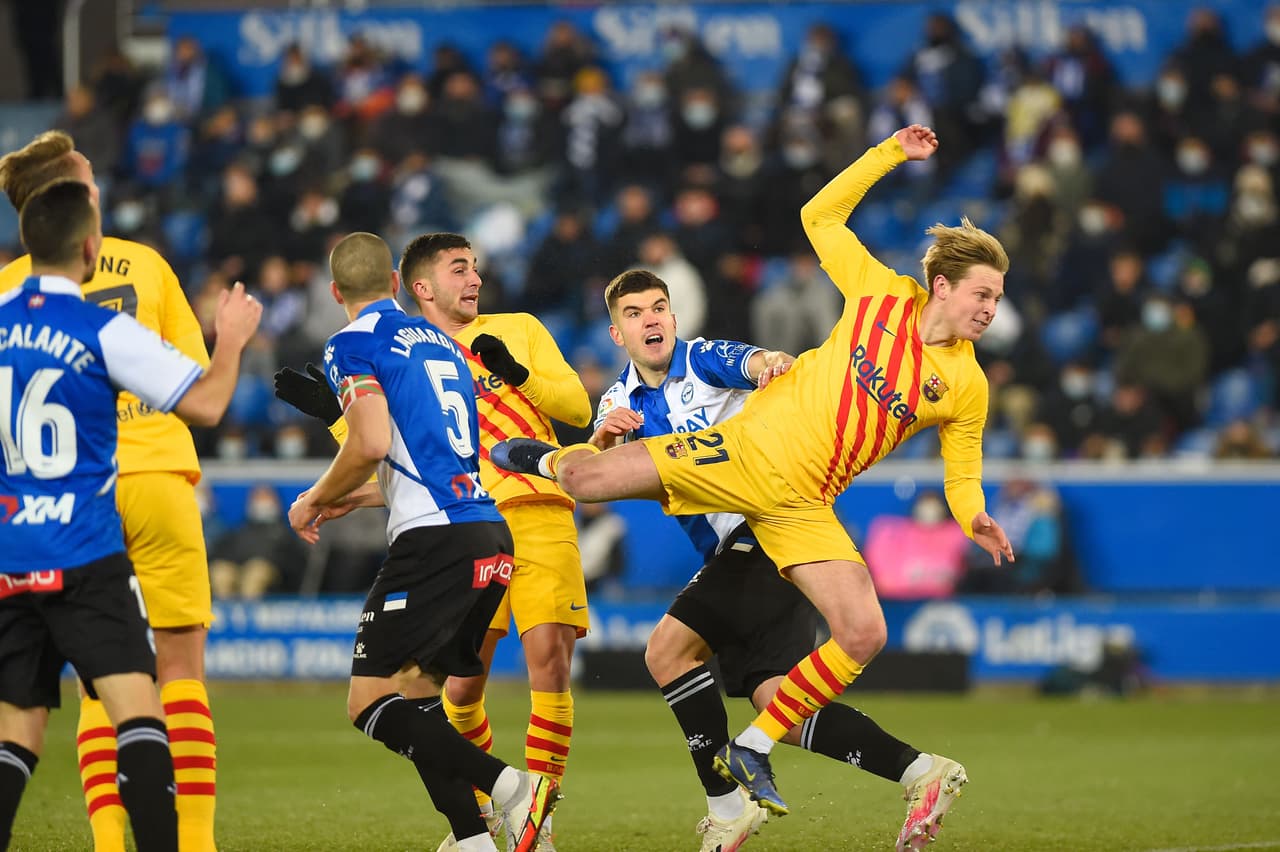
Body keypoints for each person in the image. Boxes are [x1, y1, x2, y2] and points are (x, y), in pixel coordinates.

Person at [492, 125, 1014, 851]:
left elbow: (962, 468)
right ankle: (531, 456)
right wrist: (887, 154)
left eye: (998, 297)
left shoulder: (967, 384)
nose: (991, 308)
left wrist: (975, 515)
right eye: (983, 293)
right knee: (583, 476)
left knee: (862, 633)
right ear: (943, 286)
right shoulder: (879, 295)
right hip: (747, 455)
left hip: (800, 506)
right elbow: (818, 217)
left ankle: (761, 754)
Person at [593, 269, 954, 851]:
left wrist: (768, 367)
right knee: (776, 699)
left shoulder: (702, 359)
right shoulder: (616, 402)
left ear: (675, 318)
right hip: (736, 546)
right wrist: (601, 442)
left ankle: (727, 807)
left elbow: (751, 361)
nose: (651, 319)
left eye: (659, 307)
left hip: (763, 526)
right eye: (635, 313)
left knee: (667, 651)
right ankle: (921, 772)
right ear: (617, 334)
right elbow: (599, 466)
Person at [275, 232, 591, 850]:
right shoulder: (444, 348)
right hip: (484, 526)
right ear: (402, 284)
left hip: (445, 536)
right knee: (430, 693)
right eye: (459, 269)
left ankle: (515, 792)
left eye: (475, 269)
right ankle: (470, 838)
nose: (474, 279)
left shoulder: (359, 342)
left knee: (370, 700)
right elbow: (429, 457)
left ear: (336, 292)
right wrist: (347, 469)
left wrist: (313, 497)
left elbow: (371, 447)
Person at [0, 179, 261, 851]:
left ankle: (107, 843)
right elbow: (203, 401)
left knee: (21, 726)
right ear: (89, 243)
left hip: (13, 544)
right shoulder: (116, 302)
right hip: (102, 521)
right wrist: (230, 339)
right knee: (157, 690)